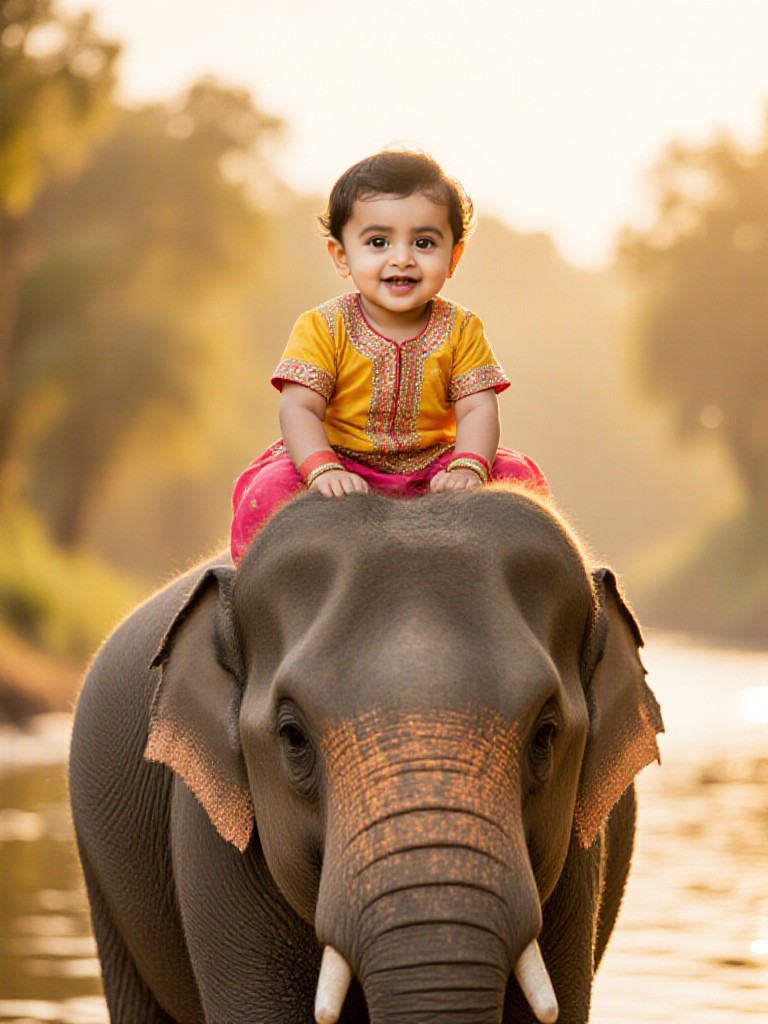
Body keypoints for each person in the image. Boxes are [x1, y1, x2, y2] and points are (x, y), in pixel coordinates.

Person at [230, 149, 549, 564]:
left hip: (436, 466)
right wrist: (323, 468)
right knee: (269, 489)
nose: (402, 258)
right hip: (342, 462)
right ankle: (251, 601)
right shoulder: (324, 327)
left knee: (518, 481)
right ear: (341, 255)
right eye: (378, 242)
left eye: (424, 242)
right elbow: (299, 407)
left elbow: (477, 409)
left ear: (454, 257)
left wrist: (468, 467)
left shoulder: (462, 329)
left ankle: (528, 598)